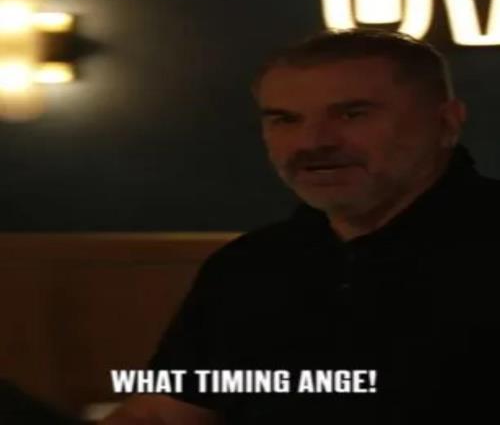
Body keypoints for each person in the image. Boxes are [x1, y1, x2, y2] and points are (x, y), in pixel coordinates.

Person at [101, 29, 500, 424]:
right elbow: (163, 412)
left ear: (447, 123)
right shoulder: (248, 266)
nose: (312, 142)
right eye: (286, 120)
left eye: (352, 114)